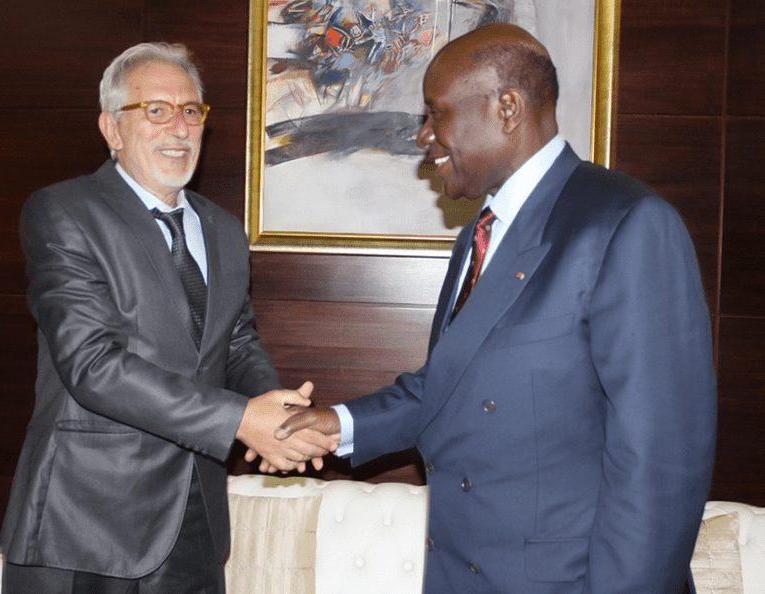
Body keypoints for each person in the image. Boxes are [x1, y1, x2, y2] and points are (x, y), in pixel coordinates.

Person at [278, 23, 717, 594]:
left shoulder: (624, 223)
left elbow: (661, 462)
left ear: (506, 108)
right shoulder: (478, 237)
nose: (423, 137)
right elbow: (451, 386)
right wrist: (335, 425)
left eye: (436, 114)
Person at [0, 42, 336, 594]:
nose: (177, 128)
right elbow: (92, 366)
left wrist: (282, 416)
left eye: (189, 111)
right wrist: (239, 420)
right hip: (84, 525)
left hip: (196, 526)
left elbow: (236, 342)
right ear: (112, 128)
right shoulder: (63, 212)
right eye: (154, 110)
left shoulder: (225, 229)